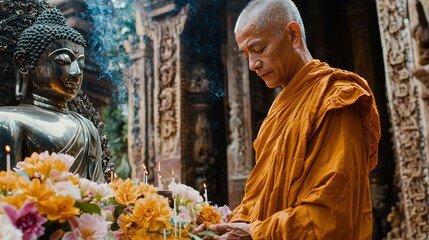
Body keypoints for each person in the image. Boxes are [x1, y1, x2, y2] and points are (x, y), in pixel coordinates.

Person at [195, 0, 381, 239]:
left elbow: (334, 215)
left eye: (259, 48)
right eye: (246, 54)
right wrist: (229, 227)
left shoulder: (337, 100)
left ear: (293, 35)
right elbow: (258, 198)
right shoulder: (277, 113)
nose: (252, 64)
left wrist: (257, 234)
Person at [0, 8, 104, 182]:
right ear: (23, 63)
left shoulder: (87, 129)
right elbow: (6, 193)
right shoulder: (7, 121)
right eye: (63, 61)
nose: (76, 72)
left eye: (80, 64)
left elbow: (100, 193)